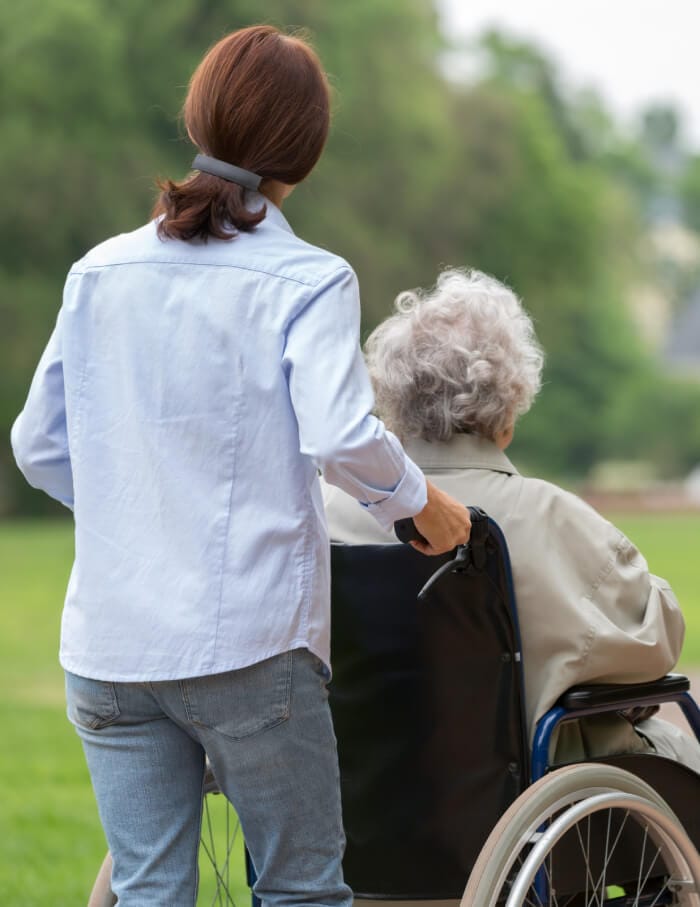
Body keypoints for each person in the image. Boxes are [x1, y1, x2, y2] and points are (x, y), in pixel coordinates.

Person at [10, 26, 471, 907]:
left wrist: (131, 509)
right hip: (248, 645)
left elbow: (37, 444)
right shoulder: (310, 280)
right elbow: (340, 436)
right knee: (299, 890)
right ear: (309, 150)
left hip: (109, 647)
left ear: (198, 118)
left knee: (148, 889)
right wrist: (421, 505)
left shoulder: (97, 273)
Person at [324, 267, 700, 773]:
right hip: (530, 806)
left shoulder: (328, 516)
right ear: (510, 401)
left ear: (393, 398)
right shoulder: (554, 519)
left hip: (365, 803)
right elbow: (656, 643)